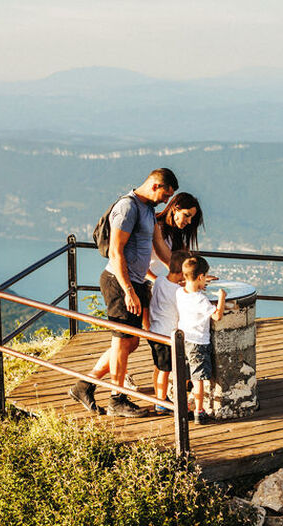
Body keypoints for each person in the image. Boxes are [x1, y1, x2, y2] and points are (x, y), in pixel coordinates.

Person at [68, 168, 178, 417]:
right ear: (155, 185)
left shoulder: (148, 209)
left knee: (131, 341)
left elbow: (160, 247)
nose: (166, 201)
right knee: (121, 340)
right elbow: (116, 252)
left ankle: (83, 385)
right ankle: (117, 399)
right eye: (165, 195)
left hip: (135, 283)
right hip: (119, 283)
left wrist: (186, 275)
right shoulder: (127, 208)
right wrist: (128, 290)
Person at [176, 255, 225, 425]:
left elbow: (189, 287)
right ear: (200, 277)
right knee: (198, 379)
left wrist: (199, 283)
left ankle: (182, 405)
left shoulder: (180, 292)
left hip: (183, 339)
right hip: (198, 342)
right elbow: (217, 316)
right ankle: (199, 411)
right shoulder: (201, 300)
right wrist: (221, 297)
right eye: (204, 277)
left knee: (185, 375)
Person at [147, 249, 191, 415]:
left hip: (153, 331)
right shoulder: (178, 292)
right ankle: (161, 402)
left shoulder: (158, 281)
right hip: (166, 336)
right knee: (166, 371)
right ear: (181, 273)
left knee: (159, 367)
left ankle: (159, 396)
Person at [147, 192, 204, 280]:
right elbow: (137, 263)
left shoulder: (175, 233)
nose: (189, 221)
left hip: (158, 282)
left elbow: (186, 262)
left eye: (191, 218)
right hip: (143, 283)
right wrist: (157, 282)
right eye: (186, 215)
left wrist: (200, 277)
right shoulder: (154, 227)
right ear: (175, 209)